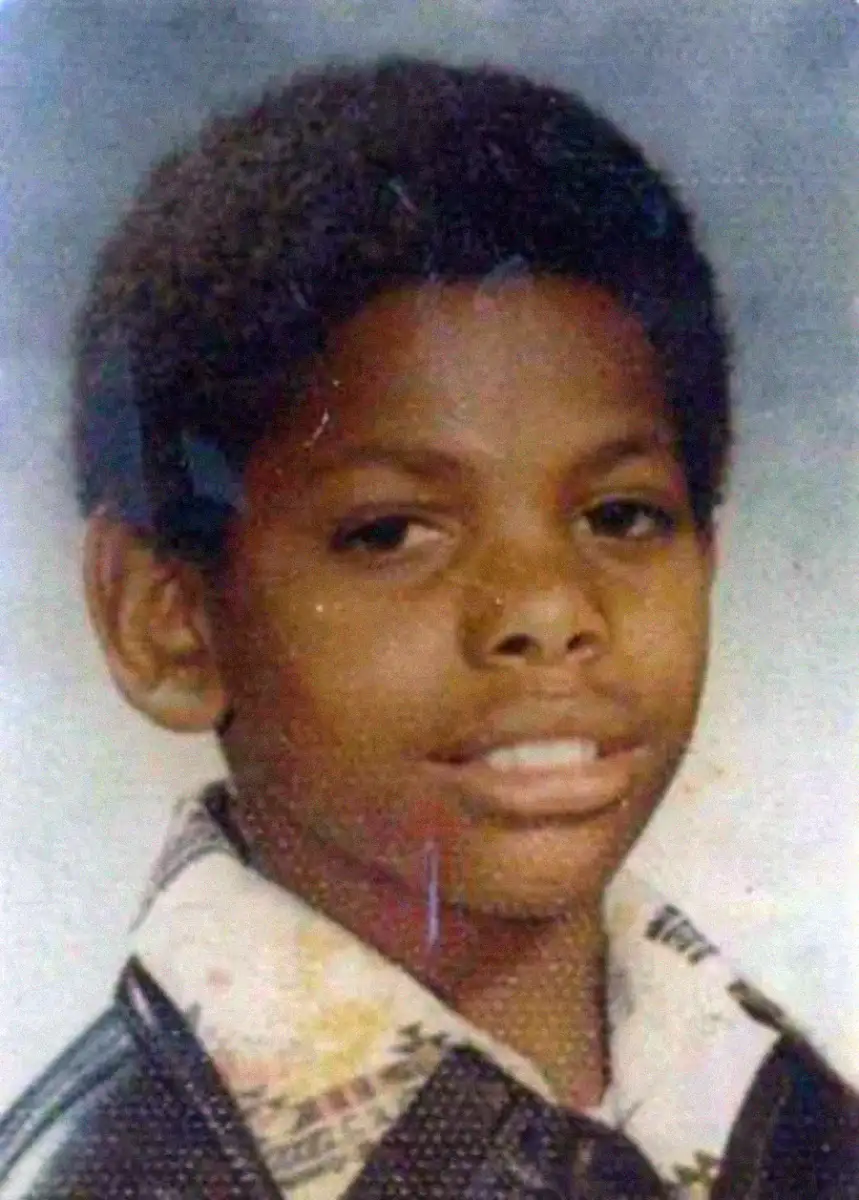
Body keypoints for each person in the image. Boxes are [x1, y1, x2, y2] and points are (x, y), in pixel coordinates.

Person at [0, 56, 855, 1200]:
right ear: (167, 620)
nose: (549, 611)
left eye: (618, 515)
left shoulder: (795, 1120)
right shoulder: (106, 1181)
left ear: (707, 554)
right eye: (393, 533)